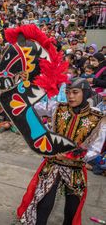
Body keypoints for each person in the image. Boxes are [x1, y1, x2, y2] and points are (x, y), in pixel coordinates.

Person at [17, 78, 105, 225]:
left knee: (71, 211)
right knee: (43, 204)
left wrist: (72, 155)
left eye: (75, 92)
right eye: (68, 92)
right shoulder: (57, 108)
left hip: (75, 168)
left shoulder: (97, 117)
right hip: (53, 164)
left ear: (86, 93)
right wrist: (28, 91)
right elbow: (31, 107)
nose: (70, 96)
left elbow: (95, 149)